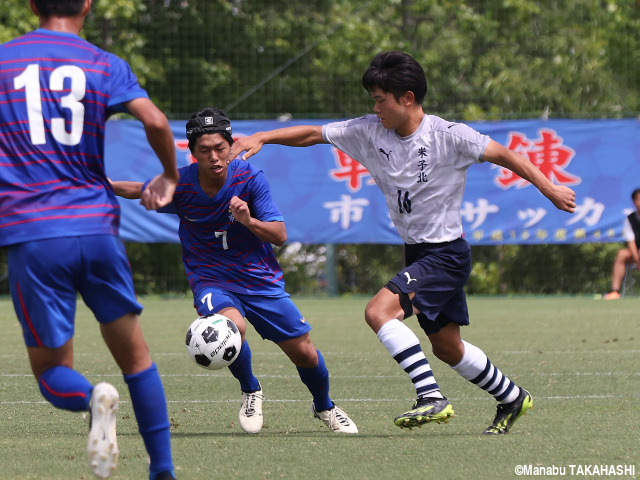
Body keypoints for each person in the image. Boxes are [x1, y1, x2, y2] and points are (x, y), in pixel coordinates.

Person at [229, 51, 577, 435]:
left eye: (381, 99)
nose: (375, 108)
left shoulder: (450, 135)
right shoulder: (369, 131)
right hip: (420, 252)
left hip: (447, 254)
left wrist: (548, 188)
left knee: (378, 312)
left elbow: (507, 156)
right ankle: (512, 396)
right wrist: (262, 136)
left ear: (407, 98)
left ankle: (431, 396)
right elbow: (313, 134)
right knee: (447, 348)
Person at [0, 1, 179, 478]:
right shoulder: (104, 63)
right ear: (87, 5)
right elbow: (158, 122)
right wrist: (166, 176)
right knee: (137, 356)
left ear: (33, 5)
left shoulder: (5, 60)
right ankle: (162, 470)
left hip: (35, 235)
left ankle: (91, 399)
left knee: (51, 371)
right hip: (98, 230)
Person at [111, 107, 358, 435]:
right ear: (192, 152)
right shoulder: (182, 184)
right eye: (205, 150)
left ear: (231, 146)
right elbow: (138, 188)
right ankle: (251, 389)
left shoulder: (250, 179)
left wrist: (248, 221)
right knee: (231, 327)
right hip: (210, 277)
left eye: (220, 148)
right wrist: (106, 184)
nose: (214, 157)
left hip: (258, 277)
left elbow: (280, 235)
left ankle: (324, 406)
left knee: (305, 352)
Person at [603, 188, 640, 300]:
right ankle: (615, 291)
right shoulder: (630, 218)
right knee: (621, 254)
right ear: (634, 202)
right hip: (636, 252)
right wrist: (637, 259)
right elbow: (631, 241)